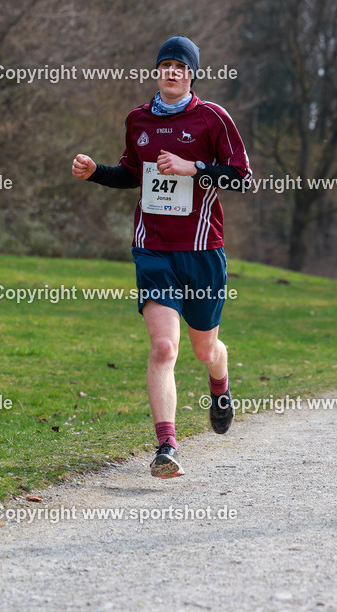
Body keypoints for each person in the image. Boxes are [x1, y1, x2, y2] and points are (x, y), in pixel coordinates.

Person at [71, 35, 251, 478]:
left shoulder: (213, 119)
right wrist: (96, 173)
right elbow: (132, 173)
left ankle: (220, 383)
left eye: (179, 66)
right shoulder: (138, 120)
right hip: (153, 250)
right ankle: (166, 446)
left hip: (203, 251)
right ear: (157, 72)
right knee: (164, 346)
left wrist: (196, 169)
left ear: (191, 74)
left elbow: (242, 179)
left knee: (204, 347)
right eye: (164, 65)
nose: (171, 72)